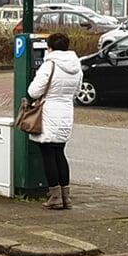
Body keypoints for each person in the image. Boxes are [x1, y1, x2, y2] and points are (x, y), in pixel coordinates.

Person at [27, 32, 81, 210]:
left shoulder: (48, 65)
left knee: (48, 155)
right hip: (66, 112)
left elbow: (34, 91)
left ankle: (55, 197)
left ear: (50, 48)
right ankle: (67, 197)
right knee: (60, 153)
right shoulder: (76, 66)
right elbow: (76, 92)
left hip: (49, 113)